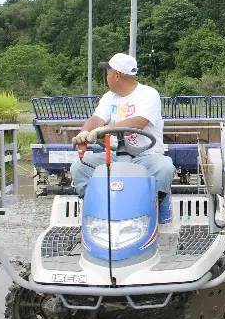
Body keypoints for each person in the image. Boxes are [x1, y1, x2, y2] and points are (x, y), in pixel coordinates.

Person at [70, 53, 175, 224]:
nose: (107, 77)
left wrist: (105, 129)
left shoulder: (149, 94)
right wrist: (84, 132)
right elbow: (96, 119)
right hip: (113, 155)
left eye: (108, 73)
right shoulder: (109, 97)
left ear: (117, 75)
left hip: (145, 156)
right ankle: (95, 217)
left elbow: (138, 122)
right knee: (80, 167)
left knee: (164, 168)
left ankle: (152, 214)